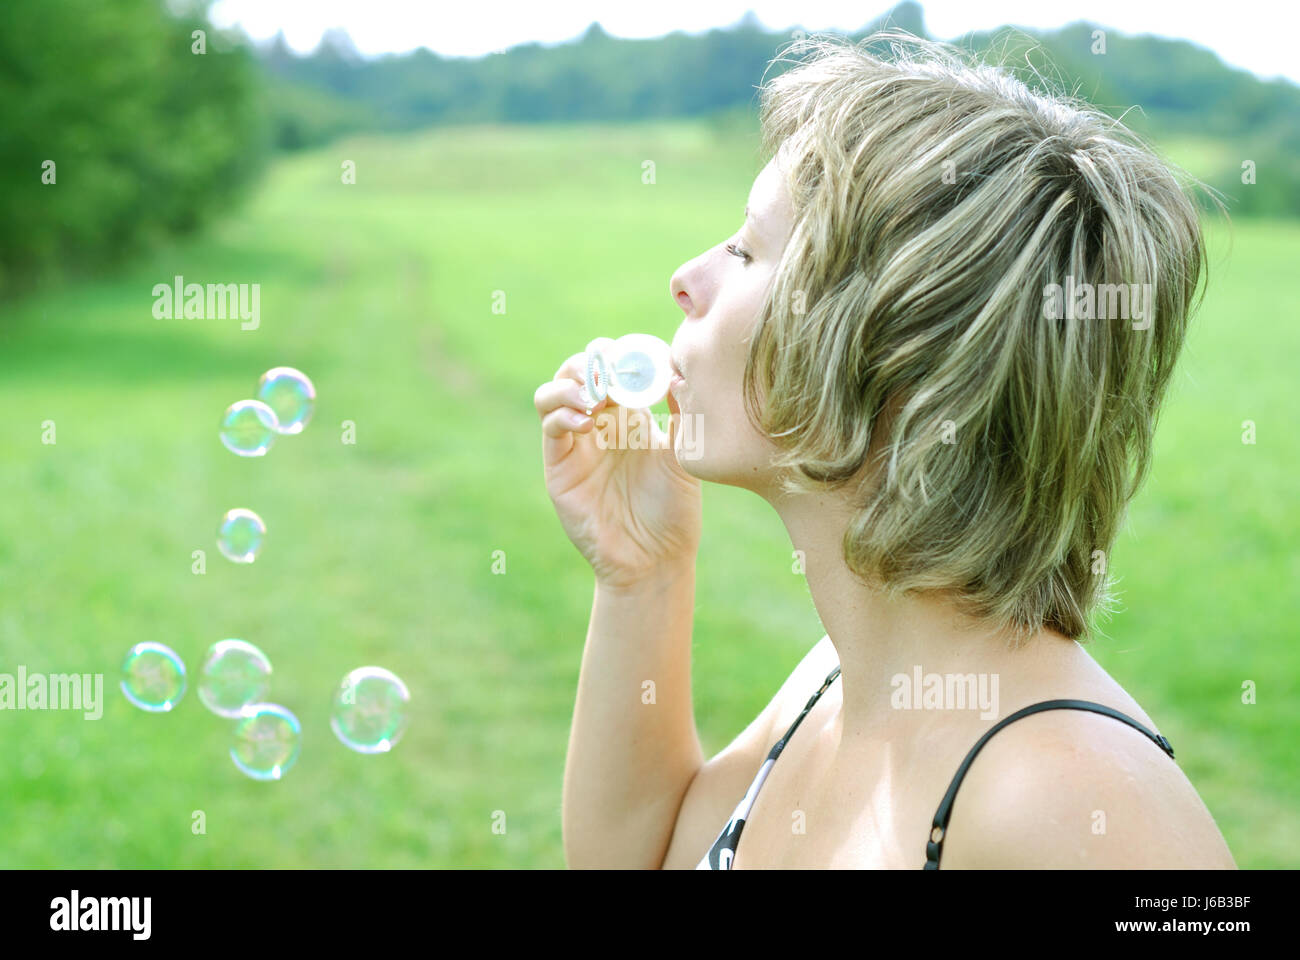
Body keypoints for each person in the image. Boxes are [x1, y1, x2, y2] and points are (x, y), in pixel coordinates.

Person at [534, 32, 1236, 869]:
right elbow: (635, 858)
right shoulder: (833, 682)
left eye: (748, 251)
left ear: (899, 358)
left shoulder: (1073, 801)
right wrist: (643, 572)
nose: (686, 279)